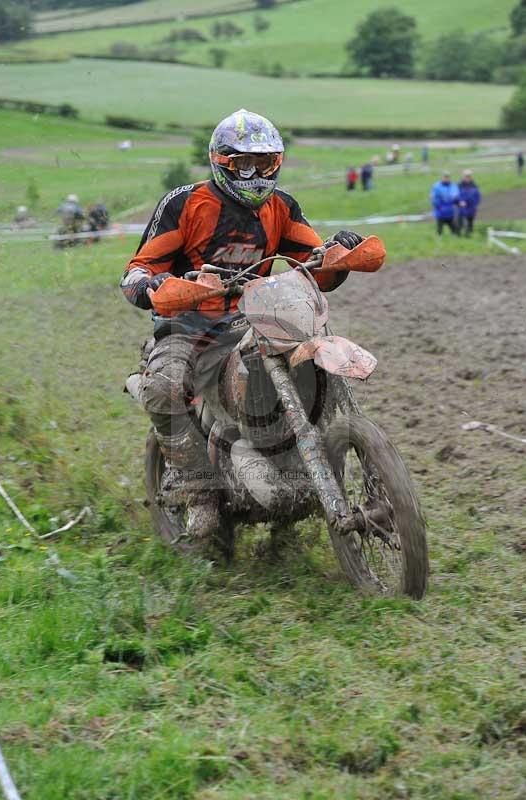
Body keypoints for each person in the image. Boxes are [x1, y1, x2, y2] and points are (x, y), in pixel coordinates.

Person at [120, 109, 368, 542]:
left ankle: (314, 457)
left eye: (264, 163)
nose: (255, 173)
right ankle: (197, 490)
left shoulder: (282, 206)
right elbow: (136, 271)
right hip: (188, 327)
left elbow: (314, 263)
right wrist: (153, 283)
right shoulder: (184, 204)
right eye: (244, 164)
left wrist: (338, 253)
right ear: (222, 162)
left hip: (253, 318)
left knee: (313, 361)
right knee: (163, 387)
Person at [431, 171, 459, 235]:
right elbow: (434, 198)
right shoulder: (437, 186)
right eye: (445, 177)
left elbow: (455, 196)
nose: (446, 178)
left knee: (454, 229)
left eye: (447, 177)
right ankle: (439, 239)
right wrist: (438, 205)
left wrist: (453, 198)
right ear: (442, 177)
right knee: (439, 229)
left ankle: (455, 237)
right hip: (440, 212)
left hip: (450, 212)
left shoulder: (453, 186)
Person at [457, 169, 481, 236]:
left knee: (470, 223)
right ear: (463, 176)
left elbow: (477, 197)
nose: (467, 178)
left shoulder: (474, 186)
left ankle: (469, 235)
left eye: (469, 176)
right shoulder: (459, 185)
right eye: (466, 176)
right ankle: (458, 235)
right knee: (460, 223)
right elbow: (456, 195)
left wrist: (474, 204)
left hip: (471, 208)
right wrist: (459, 202)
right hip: (461, 208)